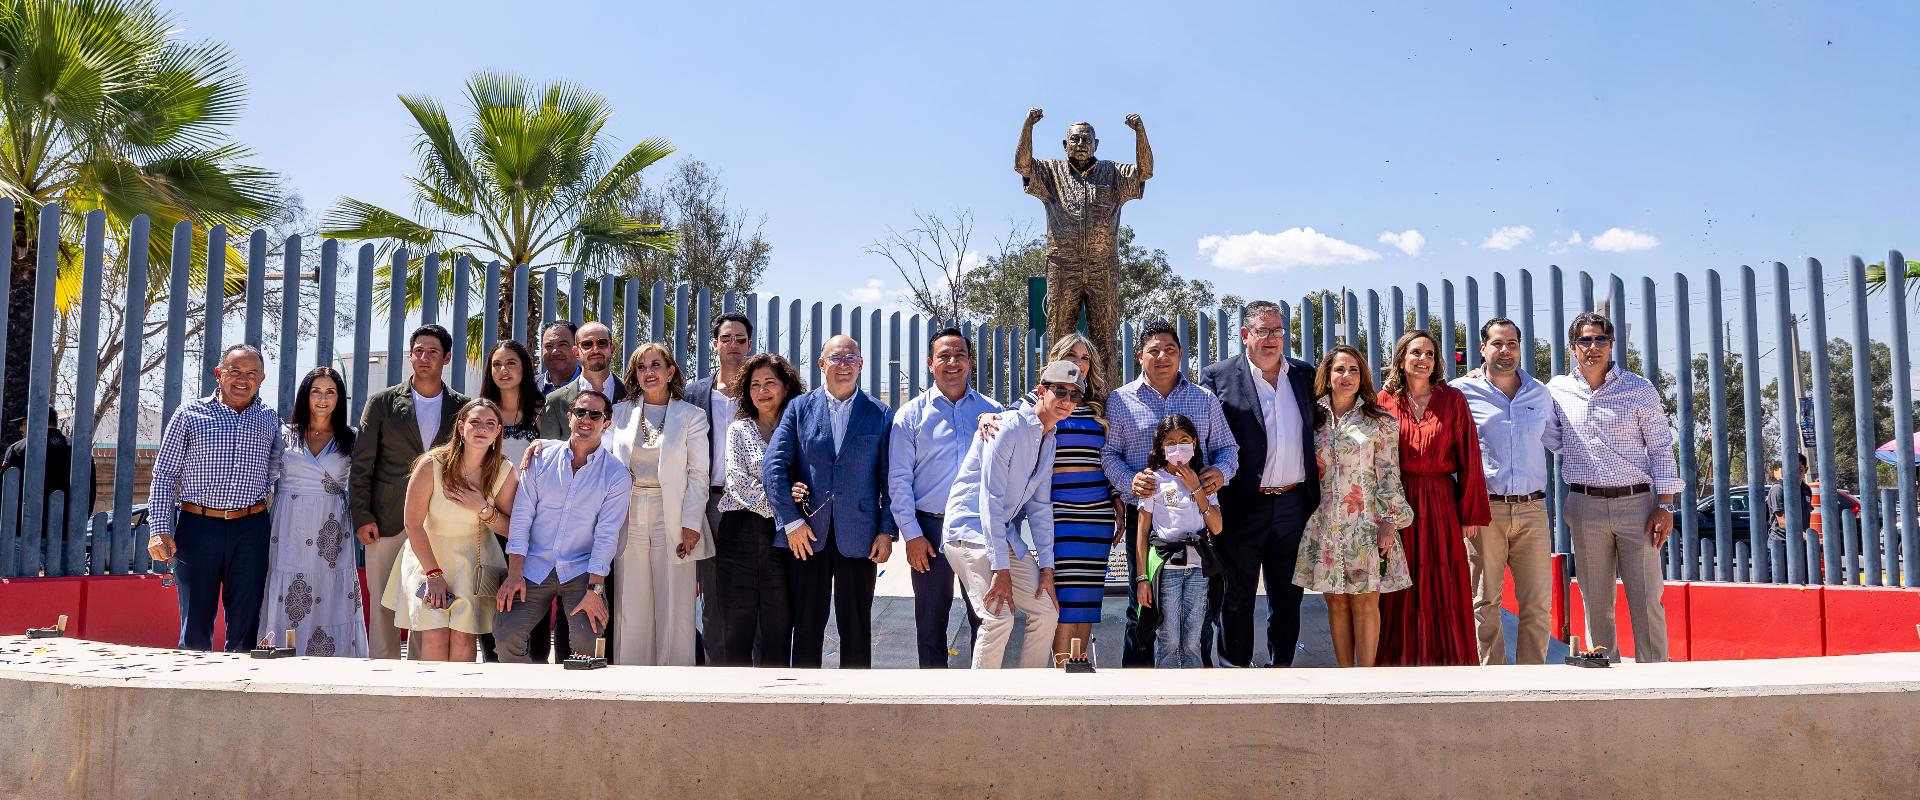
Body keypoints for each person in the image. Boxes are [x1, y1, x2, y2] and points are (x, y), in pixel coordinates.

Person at [1101, 320, 1237, 667]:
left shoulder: (1204, 399)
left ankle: (1197, 679)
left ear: (1181, 354)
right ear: (1140, 356)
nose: (1162, 356)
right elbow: (1109, 454)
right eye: (1154, 351)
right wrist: (1129, 480)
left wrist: (1220, 473)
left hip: (1198, 522)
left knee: (1198, 612)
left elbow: (1228, 448)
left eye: (1170, 350)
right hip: (1147, 522)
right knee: (1143, 604)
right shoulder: (1120, 400)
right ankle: (1138, 680)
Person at [1549, 311, 1680, 663]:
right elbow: (1531, 411)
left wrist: (1665, 505)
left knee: (1646, 601)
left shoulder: (1639, 388)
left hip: (1638, 507)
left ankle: (1655, 678)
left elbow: (1661, 448)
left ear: (1611, 345)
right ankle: (1603, 677)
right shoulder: (1556, 390)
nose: (1593, 347)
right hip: (1584, 505)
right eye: (1585, 340)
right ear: (1573, 347)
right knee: (1596, 603)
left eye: (1600, 339)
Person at [1198, 300, 1319, 668]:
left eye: (1278, 331)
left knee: (1288, 596)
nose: (1271, 339)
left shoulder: (1304, 374)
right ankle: (1235, 672)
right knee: (1235, 597)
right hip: (1240, 505)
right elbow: (1203, 438)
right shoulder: (1218, 376)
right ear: (1244, 334)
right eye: (1263, 331)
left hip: (1293, 505)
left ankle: (1281, 669)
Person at [764, 335, 896, 669]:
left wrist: (886, 531)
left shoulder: (880, 413)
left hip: (861, 535)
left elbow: (890, 479)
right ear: (822, 364)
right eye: (836, 358)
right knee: (806, 625)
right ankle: (805, 693)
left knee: (857, 628)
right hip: (807, 534)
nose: (844, 365)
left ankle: (855, 696)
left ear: (861, 365)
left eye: (851, 358)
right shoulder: (798, 409)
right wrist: (791, 522)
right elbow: (774, 466)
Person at [146, 344, 283, 652]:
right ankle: (193, 681)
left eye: (251, 373)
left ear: (262, 379)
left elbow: (279, 472)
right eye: (235, 371)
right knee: (195, 626)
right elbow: (165, 474)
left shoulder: (270, 420)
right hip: (198, 528)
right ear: (219, 373)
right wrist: (158, 529)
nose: (243, 380)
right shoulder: (188, 414)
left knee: (247, 627)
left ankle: (241, 682)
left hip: (251, 530)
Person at [944, 360, 1081, 668]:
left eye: (1075, 395)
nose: (1067, 400)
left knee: (1046, 611)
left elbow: (1040, 508)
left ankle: (1029, 692)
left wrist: (1047, 568)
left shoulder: (1050, 439)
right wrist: (1000, 568)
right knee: (998, 617)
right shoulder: (1006, 427)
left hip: (1000, 534)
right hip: (969, 531)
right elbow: (989, 500)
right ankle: (983, 698)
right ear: (1042, 391)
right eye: (1060, 391)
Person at [350, 323, 471, 660]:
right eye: (418, 351)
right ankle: (383, 670)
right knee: (383, 604)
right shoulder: (382, 402)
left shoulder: (462, 407)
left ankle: (422, 668)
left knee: (427, 603)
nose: (424, 357)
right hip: (386, 520)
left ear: (447, 357)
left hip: (437, 523)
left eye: (432, 352)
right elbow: (362, 465)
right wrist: (361, 515)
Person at [1291, 346, 1414, 668]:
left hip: (1366, 524)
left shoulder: (1380, 422)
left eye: (1354, 370)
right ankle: (1345, 675)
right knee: (1335, 601)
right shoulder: (1311, 420)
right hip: (1324, 524)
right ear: (1327, 376)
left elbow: (1389, 475)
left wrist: (1389, 522)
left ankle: (1367, 678)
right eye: (1339, 370)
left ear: (1362, 377)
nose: (1346, 376)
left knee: (1365, 601)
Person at [1376, 329, 1490, 667]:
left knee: (1443, 583)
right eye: (1415, 352)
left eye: (1429, 353)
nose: (1423, 359)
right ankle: (1397, 664)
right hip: (1397, 501)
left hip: (1441, 501)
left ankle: (1448, 664)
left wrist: (1469, 513)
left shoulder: (1452, 399)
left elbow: (1470, 455)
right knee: (1398, 583)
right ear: (1401, 359)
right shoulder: (1384, 401)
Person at [1014, 107, 1153, 383]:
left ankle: (1104, 395)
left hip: (1103, 266)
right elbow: (1022, 165)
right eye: (1075, 139)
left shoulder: (1112, 172)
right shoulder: (1052, 172)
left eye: (1086, 139)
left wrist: (1140, 132)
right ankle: (1058, 391)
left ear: (1096, 144)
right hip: (1063, 265)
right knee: (1059, 336)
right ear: (1065, 144)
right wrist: (1028, 125)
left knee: (1105, 338)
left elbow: (1145, 172)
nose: (1080, 144)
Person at [1455, 318, 1563, 665]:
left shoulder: (1539, 393)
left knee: (1538, 604)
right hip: (1485, 511)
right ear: (1483, 348)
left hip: (1533, 510)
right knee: (1485, 601)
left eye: (1512, 344)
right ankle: (1494, 679)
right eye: (1497, 344)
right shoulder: (1460, 392)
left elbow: (1559, 440)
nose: (1505, 350)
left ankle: (1532, 680)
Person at [889, 326, 996, 668]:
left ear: (970, 361)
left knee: (986, 620)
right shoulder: (910, 415)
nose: (952, 362)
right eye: (944, 356)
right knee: (931, 622)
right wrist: (912, 535)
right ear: (930, 363)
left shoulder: (992, 411)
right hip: (929, 530)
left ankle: (982, 690)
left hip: (978, 528)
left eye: (959, 355)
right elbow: (899, 481)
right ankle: (932, 692)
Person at [494, 390, 625, 663]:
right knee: (507, 635)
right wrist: (515, 573)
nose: (586, 419)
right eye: (580, 412)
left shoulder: (616, 474)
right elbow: (522, 516)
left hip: (580, 570)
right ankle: (526, 688)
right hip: (534, 565)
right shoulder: (540, 458)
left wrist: (595, 591)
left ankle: (576, 691)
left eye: (595, 415)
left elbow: (606, 535)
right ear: (569, 416)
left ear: (606, 424)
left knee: (588, 643)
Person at [382, 399, 517, 662]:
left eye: (490, 424)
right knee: (435, 633)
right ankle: (430, 691)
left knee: (463, 636)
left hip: (473, 561)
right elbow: (412, 524)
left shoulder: (503, 470)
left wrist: (482, 508)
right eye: (475, 422)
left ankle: (460, 691)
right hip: (427, 556)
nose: (482, 428)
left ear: (498, 432)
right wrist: (433, 574)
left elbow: (514, 530)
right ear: (460, 427)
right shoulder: (432, 464)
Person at [602, 342, 711, 666]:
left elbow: (698, 474)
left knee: (674, 602)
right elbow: (598, 455)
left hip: (673, 513)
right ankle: (632, 678)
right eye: (641, 367)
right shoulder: (619, 413)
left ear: (670, 371)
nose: (648, 372)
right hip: (630, 510)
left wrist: (691, 524)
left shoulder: (692, 416)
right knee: (631, 602)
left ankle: (674, 680)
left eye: (655, 365)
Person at [259, 367, 369, 658]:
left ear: (339, 398)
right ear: (305, 396)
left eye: (330, 392)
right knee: (287, 588)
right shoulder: (284, 434)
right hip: (289, 523)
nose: (322, 398)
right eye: (316, 391)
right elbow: (266, 478)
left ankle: (336, 664)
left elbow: (363, 482)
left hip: (331, 528)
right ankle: (281, 658)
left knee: (329, 589)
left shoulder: (351, 437)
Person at [715, 353, 804, 666]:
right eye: (755, 385)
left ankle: (776, 695)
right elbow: (739, 485)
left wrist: (788, 511)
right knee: (736, 631)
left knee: (778, 629)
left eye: (770, 383)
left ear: (786, 386)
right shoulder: (739, 430)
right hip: (739, 535)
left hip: (785, 539)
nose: (762, 391)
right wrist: (786, 503)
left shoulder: (800, 429)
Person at [476, 339, 554, 662]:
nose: (503, 370)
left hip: (532, 525)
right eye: (496, 364)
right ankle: (493, 669)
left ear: (525, 369)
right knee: (489, 600)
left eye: (511, 363)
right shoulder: (480, 413)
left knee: (529, 602)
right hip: (487, 522)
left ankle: (535, 670)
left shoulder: (542, 412)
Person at [686, 312, 754, 665]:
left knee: (751, 590)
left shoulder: (761, 389)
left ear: (749, 344)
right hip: (709, 502)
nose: (733, 345)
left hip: (753, 503)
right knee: (711, 595)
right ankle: (716, 670)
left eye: (740, 339)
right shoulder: (694, 393)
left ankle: (755, 669)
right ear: (714, 344)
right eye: (726, 338)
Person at [1133, 414, 1225, 669]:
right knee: (1169, 639)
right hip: (1167, 569)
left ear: (1194, 443)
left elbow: (1217, 527)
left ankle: (1193, 690)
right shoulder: (1153, 480)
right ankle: (1167, 689)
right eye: (1171, 442)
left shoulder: (1204, 480)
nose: (1178, 447)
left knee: (1193, 640)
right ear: (1161, 447)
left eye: (1184, 440)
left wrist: (1196, 489)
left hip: (1197, 569)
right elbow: (1142, 531)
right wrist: (1142, 579)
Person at [2, 409, 93, 549]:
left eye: (23, 424)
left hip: (24, 532)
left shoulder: (18, 449)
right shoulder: (79, 450)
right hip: (65, 533)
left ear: (34, 421)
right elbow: (89, 493)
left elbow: (5, 490)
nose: (21, 429)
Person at [539, 320, 623, 437]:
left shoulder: (633, 393)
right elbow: (549, 446)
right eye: (587, 344)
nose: (595, 349)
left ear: (612, 349)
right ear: (576, 352)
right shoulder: (555, 401)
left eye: (602, 343)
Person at [1767, 455, 1814, 579]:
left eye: (1800, 469)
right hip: (1781, 545)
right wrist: (1805, 536)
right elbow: (1782, 522)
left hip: (1801, 544)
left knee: (1804, 581)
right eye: (1792, 469)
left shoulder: (1806, 490)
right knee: (1780, 582)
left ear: (1806, 470)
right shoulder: (1778, 489)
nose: (1796, 473)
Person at [536, 320, 581, 394]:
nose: (555, 352)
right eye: (549, 346)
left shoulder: (594, 386)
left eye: (562, 345)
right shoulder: (526, 387)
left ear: (577, 349)